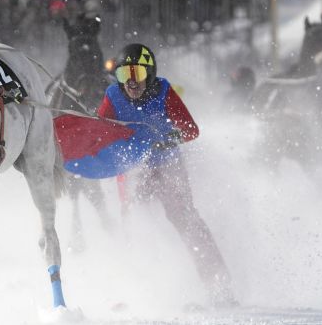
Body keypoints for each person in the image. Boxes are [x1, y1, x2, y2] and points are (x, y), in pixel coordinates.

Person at [97, 43, 236, 306]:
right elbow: (100, 129)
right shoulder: (112, 96)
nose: (131, 82)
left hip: (167, 165)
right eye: (124, 75)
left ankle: (219, 284)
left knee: (185, 219)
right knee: (133, 222)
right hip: (134, 169)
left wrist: (168, 138)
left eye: (136, 74)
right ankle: (138, 289)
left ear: (149, 74)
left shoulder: (163, 92)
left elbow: (191, 129)